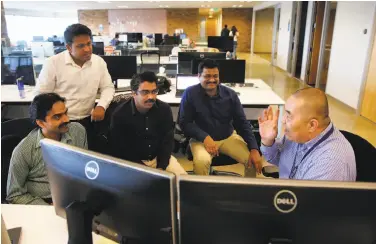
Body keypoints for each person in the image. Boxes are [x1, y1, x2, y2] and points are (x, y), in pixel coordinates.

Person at [35, 23, 115, 150]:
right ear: (68, 47)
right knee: (63, 160)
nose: (87, 49)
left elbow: (108, 87)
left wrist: (101, 106)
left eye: (89, 44)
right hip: (61, 122)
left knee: (88, 158)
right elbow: (42, 96)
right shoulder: (53, 63)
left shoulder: (98, 62)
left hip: (88, 120)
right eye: (81, 46)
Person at [178, 59, 262, 176]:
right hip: (201, 140)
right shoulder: (190, 93)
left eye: (215, 76)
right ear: (199, 76)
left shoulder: (230, 95)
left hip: (227, 137)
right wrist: (205, 137)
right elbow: (184, 123)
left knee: (251, 160)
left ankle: (247, 192)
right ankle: (201, 193)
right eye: (207, 76)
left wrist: (254, 148)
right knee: (202, 162)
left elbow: (242, 123)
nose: (212, 80)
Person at [259, 88, 356, 181]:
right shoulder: (297, 134)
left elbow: (310, 197)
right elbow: (279, 159)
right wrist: (267, 141)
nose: (283, 120)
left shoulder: (330, 162)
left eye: (289, 116)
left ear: (312, 125)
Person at [6, 93, 88, 205]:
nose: (67, 119)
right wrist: (47, 207)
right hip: (43, 203)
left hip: (75, 198)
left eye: (65, 113)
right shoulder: (24, 150)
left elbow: (83, 171)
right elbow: (14, 195)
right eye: (57, 117)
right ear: (40, 123)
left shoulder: (78, 131)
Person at [108, 71, 187, 175]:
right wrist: (146, 171)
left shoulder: (164, 109)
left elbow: (167, 142)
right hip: (132, 163)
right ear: (134, 93)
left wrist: (161, 167)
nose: (151, 97)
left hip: (159, 159)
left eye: (154, 91)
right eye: (145, 92)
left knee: (183, 183)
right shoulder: (120, 115)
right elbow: (121, 149)